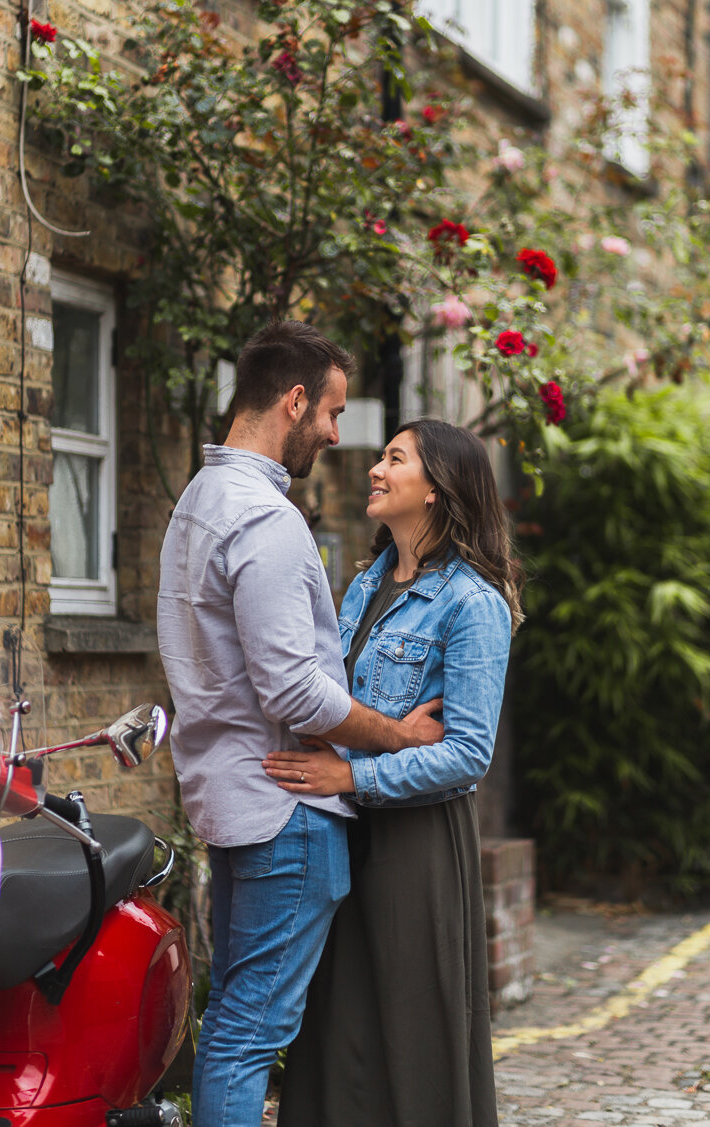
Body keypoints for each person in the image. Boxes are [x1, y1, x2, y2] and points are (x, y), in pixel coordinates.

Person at [156, 322, 442, 1127]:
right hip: (288, 810)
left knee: (235, 1024)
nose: (335, 432)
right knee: (248, 1033)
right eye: (332, 411)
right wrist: (395, 733)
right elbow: (294, 690)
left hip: (234, 800)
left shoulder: (197, 505)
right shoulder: (266, 518)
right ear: (293, 400)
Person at [264, 418, 524, 1127]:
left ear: (436, 488)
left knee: (411, 1034)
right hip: (344, 831)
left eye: (393, 458)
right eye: (381, 456)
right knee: (338, 1025)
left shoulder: (472, 601)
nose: (375, 468)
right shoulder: (367, 581)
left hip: (416, 843)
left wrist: (351, 777)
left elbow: (468, 753)